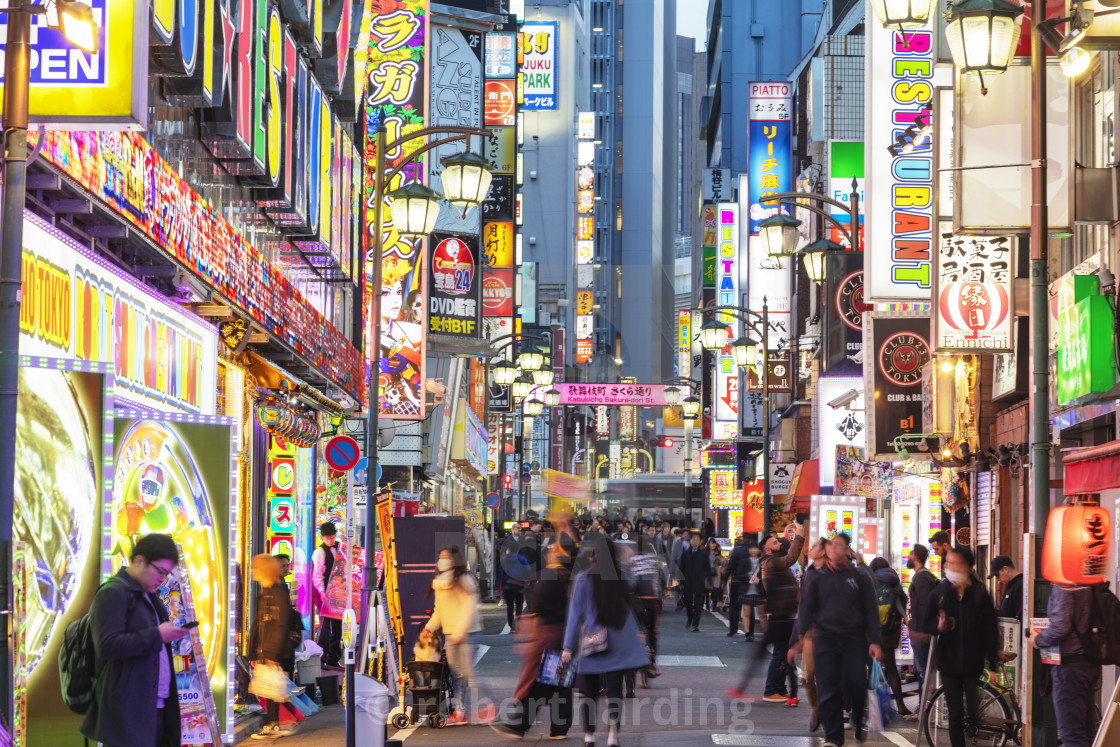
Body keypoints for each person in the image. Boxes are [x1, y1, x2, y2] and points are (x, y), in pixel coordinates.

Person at [81, 533, 189, 747]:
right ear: (139, 561)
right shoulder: (113, 592)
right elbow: (106, 645)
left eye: (166, 574)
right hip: (128, 715)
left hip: (153, 709)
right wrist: (157, 635)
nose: (162, 578)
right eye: (160, 571)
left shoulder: (149, 594)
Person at [791, 533, 880, 745]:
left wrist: (875, 640)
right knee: (828, 688)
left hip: (854, 640)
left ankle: (859, 717)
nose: (834, 549)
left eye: (839, 545)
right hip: (825, 640)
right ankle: (833, 736)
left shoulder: (860, 578)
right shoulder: (816, 577)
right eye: (831, 545)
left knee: (856, 685)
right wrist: (800, 638)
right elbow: (805, 609)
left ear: (847, 550)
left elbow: (871, 611)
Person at [561, 535, 649, 747]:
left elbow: (575, 615)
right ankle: (612, 736)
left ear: (595, 554)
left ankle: (589, 736)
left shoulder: (583, 578)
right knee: (615, 692)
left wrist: (568, 647)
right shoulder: (621, 578)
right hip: (618, 643)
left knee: (589, 693)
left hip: (593, 642)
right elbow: (636, 582)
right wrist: (627, 558)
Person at [918, 546, 1001, 747]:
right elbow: (925, 623)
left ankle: (974, 730)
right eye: (948, 563)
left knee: (972, 713)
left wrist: (992, 665)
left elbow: (991, 630)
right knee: (955, 713)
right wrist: (937, 626)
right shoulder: (940, 592)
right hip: (948, 662)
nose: (949, 567)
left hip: (973, 662)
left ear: (967, 567)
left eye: (954, 563)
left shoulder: (980, 593)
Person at [491, 543, 575, 739]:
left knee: (540, 683)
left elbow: (537, 607)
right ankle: (558, 728)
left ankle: (521, 725)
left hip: (549, 636)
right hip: (566, 636)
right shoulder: (570, 578)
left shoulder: (549, 578)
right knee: (559, 684)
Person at [424, 546, 495, 725]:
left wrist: (459, 632)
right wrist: (428, 629)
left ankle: (489, 704)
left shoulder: (465, 580)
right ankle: (459, 711)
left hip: (467, 633)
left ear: (455, 560)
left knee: (468, 672)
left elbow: (468, 608)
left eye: (446, 557)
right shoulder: (439, 582)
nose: (442, 560)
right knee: (456, 674)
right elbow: (438, 611)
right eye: (440, 557)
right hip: (451, 634)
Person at [1028, 581, 1101, 747]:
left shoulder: (1064, 583)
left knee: (1072, 734)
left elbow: (1060, 627)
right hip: (1089, 661)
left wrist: (1037, 639)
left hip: (1069, 665)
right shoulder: (1089, 582)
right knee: (1087, 732)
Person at [249, 554, 303, 739]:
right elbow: (261, 624)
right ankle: (277, 723)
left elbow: (279, 624)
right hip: (268, 649)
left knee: (273, 688)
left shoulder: (277, 592)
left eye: (256, 568)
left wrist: (270, 653)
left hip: (273, 650)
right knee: (271, 688)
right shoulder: (269, 591)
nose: (253, 572)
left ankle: (276, 724)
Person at [759, 524, 807, 702]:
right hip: (781, 615)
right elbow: (791, 558)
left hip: (783, 613)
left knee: (783, 651)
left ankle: (779, 688)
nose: (778, 542)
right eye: (774, 541)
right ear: (767, 549)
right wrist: (799, 537)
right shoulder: (771, 561)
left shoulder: (771, 561)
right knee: (780, 652)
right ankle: (772, 689)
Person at [868, 557, 911, 716]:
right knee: (892, 669)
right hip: (890, 631)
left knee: (872, 666)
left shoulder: (871, 580)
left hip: (872, 631)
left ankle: (873, 707)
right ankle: (900, 705)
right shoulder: (894, 580)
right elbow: (903, 605)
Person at [627, 533, 667, 678]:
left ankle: (634, 661)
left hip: (636, 601)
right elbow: (663, 578)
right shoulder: (656, 560)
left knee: (636, 631)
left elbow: (628, 580)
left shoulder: (631, 561)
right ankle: (651, 663)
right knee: (653, 632)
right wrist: (662, 591)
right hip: (653, 600)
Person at [905, 543, 939, 711]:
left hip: (922, 634)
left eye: (910, 554)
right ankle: (922, 708)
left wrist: (920, 627)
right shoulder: (921, 577)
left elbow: (926, 605)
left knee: (924, 673)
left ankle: (925, 709)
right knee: (922, 672)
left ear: (916, 557)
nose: (908, 558)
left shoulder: (921, 578)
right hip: (918, 633)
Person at [311, 522, 343, 669]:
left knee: (337, 624)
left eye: (332, 537)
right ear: (322, 537)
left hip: (338, 591)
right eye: (328, 538)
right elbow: (317, 575)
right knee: (325, 625)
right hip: (322, 591)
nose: (331, 540)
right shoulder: (319, 552)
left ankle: (334, 657)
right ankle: (322, 657)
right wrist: (322, 592)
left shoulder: (341, 547)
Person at [677, 532, 710, 631]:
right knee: (687, 602)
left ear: (700, 542)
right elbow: (681, 568)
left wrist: (709, 582)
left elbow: (707, 569)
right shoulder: (685, 553)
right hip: (687, 582)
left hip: (699, 582)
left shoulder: (704, 555)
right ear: (690, 541)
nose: (695, 541)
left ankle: (696, 624)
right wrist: (681, 582)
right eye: (693, 539)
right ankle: (690, 618)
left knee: (698, 604)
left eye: (697, 539)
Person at [988, 555, 1023, 621]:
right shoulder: (1010, 585)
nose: (997, 579)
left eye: (997, 575)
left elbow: (1019, 616)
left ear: (1005, 569)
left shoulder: (1019, 585)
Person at [706, 539, 726, 612]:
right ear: (709, 544)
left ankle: (715, 605)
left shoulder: (717, 553)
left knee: (715, 589)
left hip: (716, 572)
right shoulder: (705, 552)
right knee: (707, 589)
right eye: (712, 543)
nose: (713, 545)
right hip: (707, 573)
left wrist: (721, 561)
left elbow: (724, 561)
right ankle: (707, 604)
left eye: (714, 544)